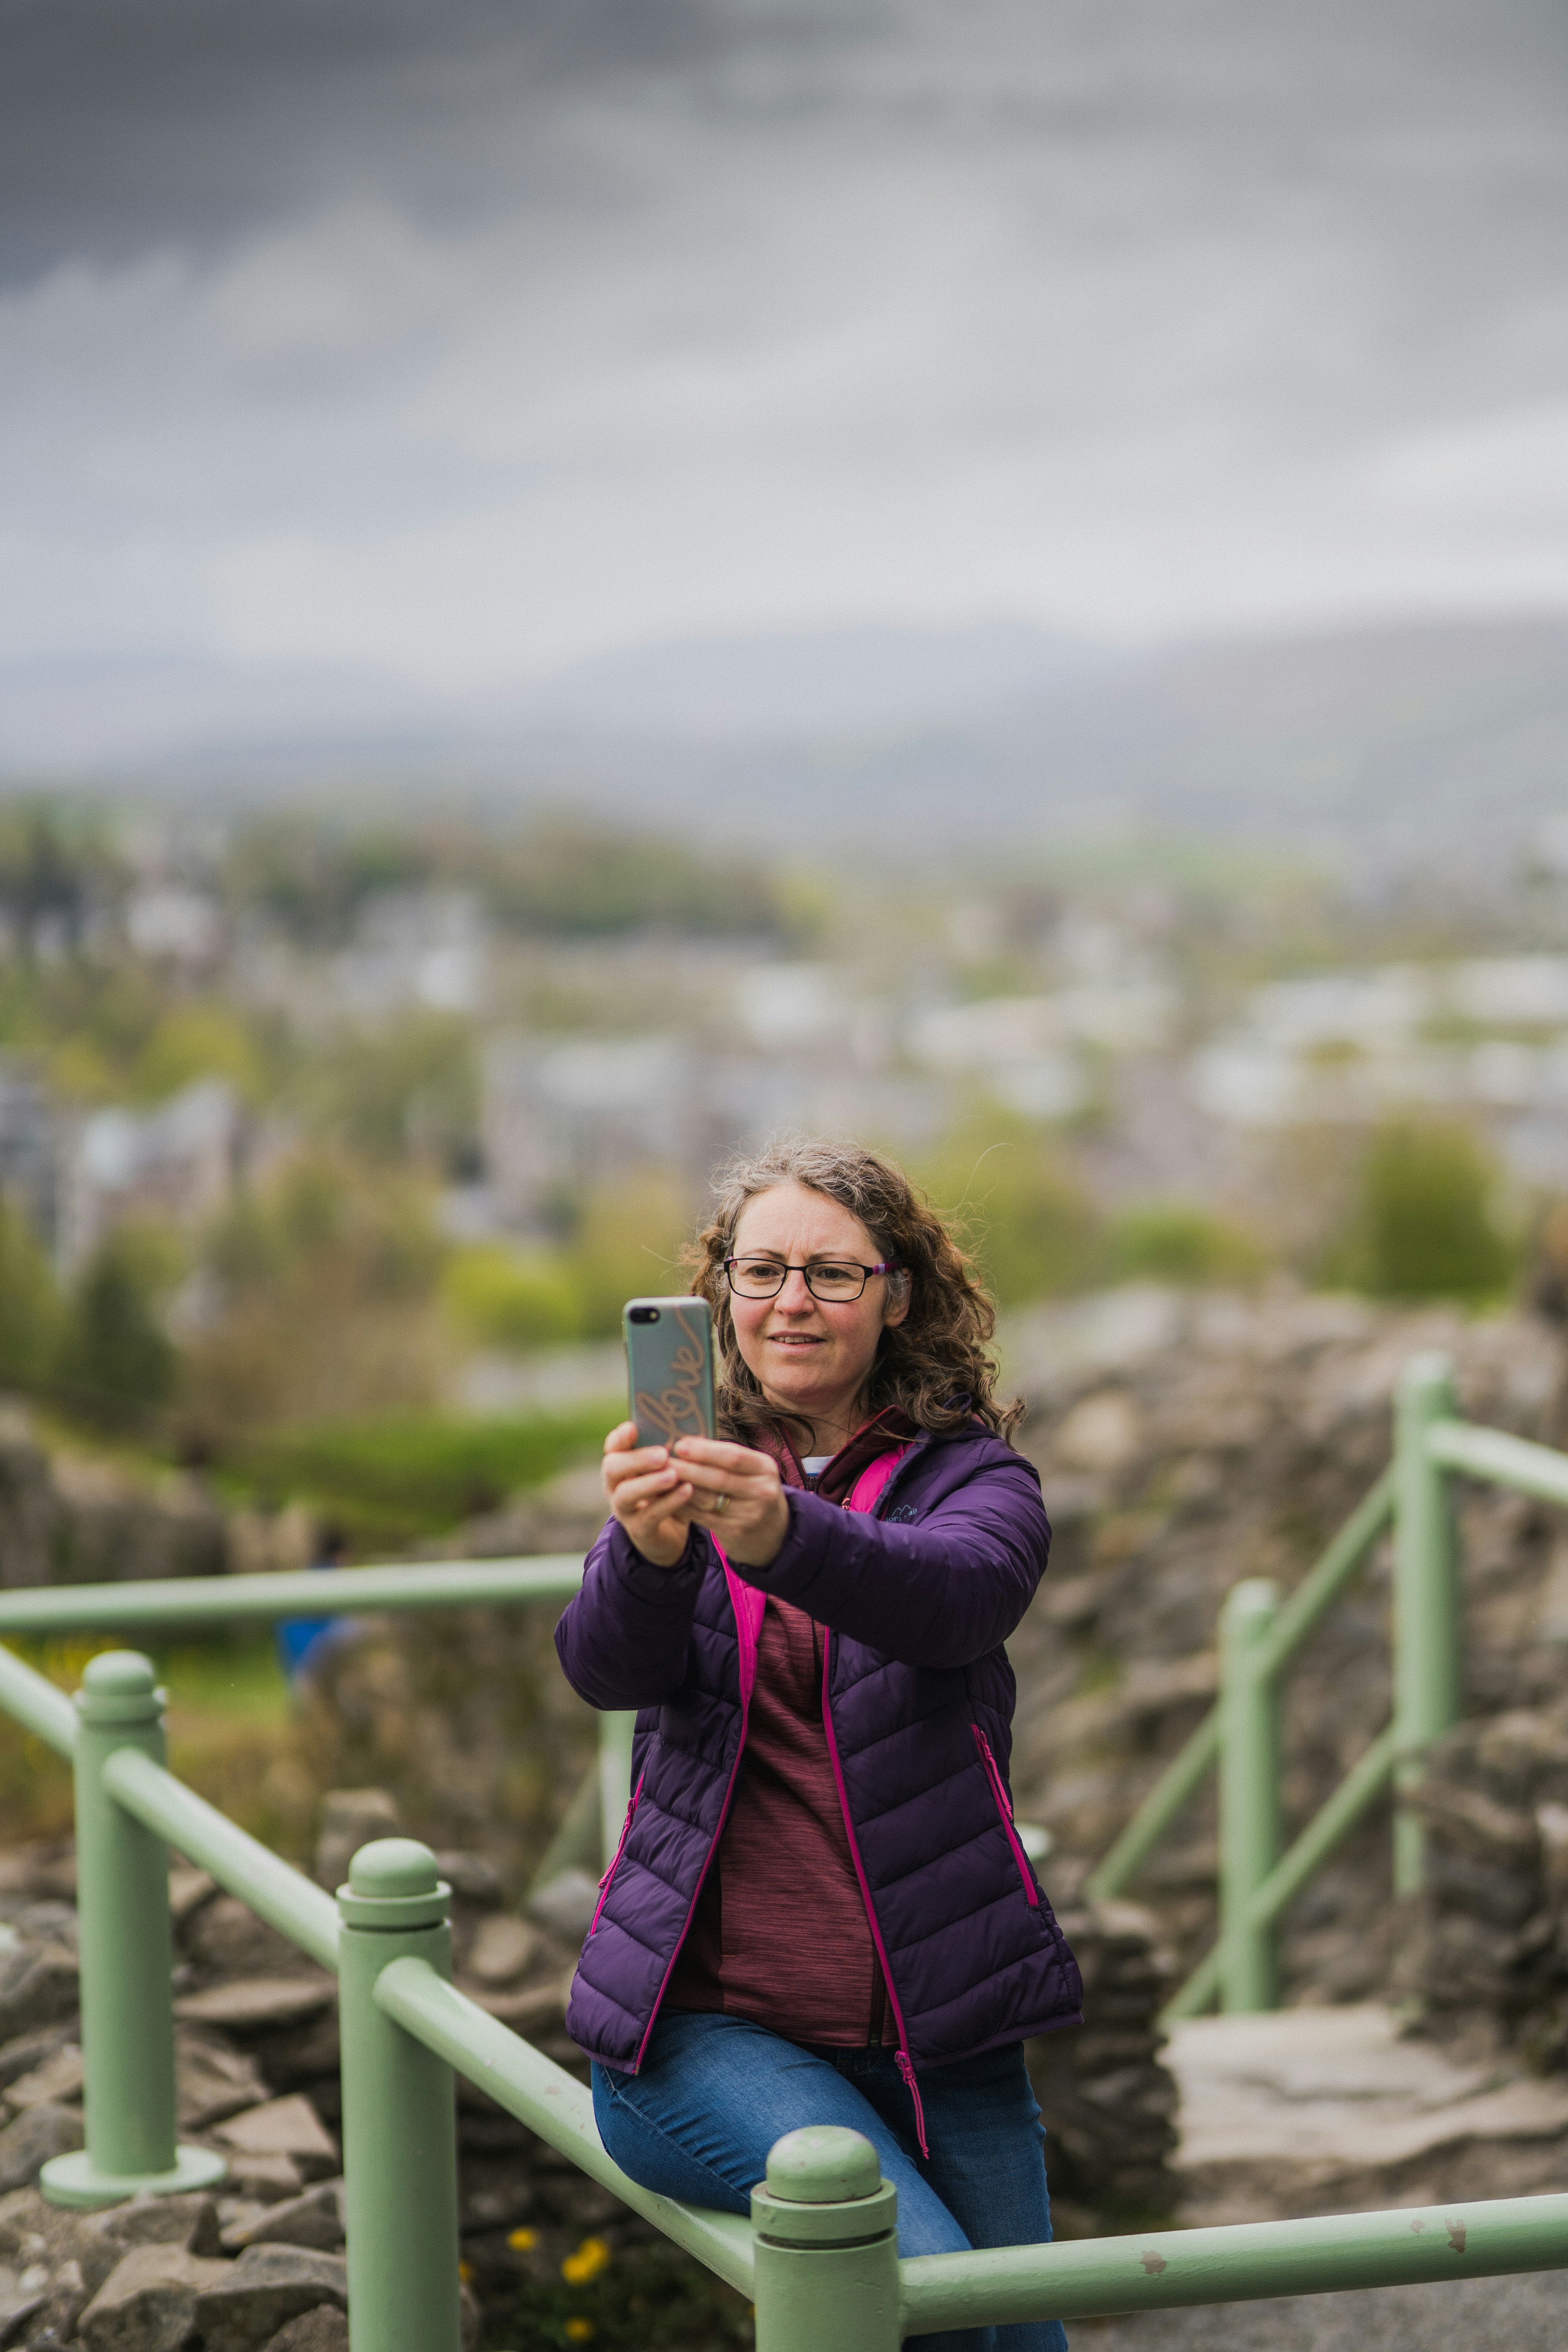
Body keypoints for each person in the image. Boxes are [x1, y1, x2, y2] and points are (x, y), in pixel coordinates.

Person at [555, 1138, 1080, 2352]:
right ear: (721, 1292)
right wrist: (648, 1553)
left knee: (1021, 2344)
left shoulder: (977, 1482)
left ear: (897, 1296)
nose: (791, 1300)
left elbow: (952, 1600)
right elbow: (602, 1668)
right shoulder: (678, 1471)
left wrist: (787, 1531)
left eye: (833, 1275)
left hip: (941, 2035)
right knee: (919, 2308)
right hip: (705, 2030)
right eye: (762, 1269)